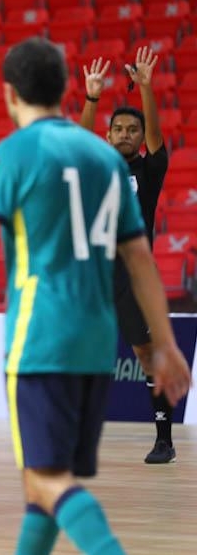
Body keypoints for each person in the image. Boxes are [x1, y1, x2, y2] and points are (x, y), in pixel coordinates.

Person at [0, 37, 191, 555]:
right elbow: (141, 258)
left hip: (43, 337)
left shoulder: (15, 153)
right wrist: (165, 342)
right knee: (44, 484)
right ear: (63, 89)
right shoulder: (105, 161)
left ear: (9, 93)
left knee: (48, 482)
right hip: (97, 342)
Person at [80, 47, 175, 464]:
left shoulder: (149, 172)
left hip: (134, 279)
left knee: (145, 356)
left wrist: (148, 89)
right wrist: (92, 98)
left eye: (131, 130)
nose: (124, 134)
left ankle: (164, 439)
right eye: (117, 128)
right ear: (108, 135)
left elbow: (156, 136)